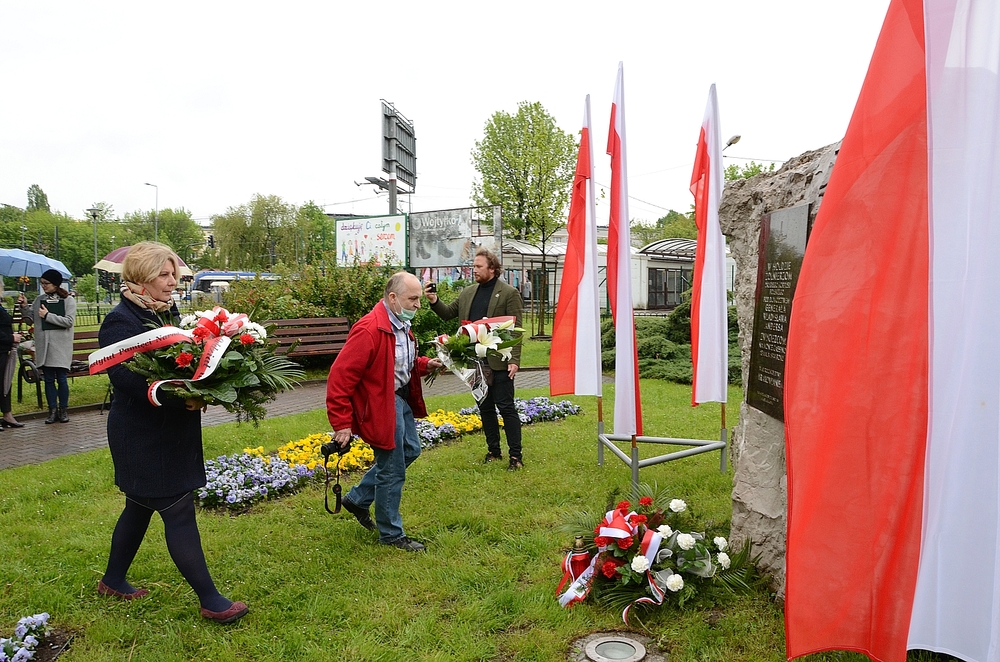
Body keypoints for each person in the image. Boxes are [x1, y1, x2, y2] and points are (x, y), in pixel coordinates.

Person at [97, 242, 248, 624]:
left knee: (140, 506)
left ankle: (113, 580)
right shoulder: (120, 321)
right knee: (177, 510)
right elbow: (127, 380)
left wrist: (206, 385)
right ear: (140, 278)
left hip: (169, 431)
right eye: (164, 275)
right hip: (142, 434)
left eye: (173, 274)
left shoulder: (169, 313)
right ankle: (212, 600)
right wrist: (184, 400)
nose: (172, 282)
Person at [327, 272, 442, 552]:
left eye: (418, 299)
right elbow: (339, 377)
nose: (418, 304)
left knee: (410, 451)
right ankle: (391, 534)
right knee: (392, 469)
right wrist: (342, 423)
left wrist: (427, 364)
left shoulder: (400, 323)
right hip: (381, 404)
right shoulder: (369, 329)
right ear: (393, 298)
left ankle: (356, 499)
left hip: (398, 399)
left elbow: (402, 361)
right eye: (412, 299)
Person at [425, 247, 524, 470]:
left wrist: (514, 360)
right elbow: (448, 313)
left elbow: (517, 328)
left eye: (478, 266)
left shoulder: (508, 293)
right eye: (473, 266)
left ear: (492, 268)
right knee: (485, 407)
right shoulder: (468, 292)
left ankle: (515, 457)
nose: (474, 270)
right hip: (474, 363)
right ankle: (494, 451)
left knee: (506, 408)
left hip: (499, 360)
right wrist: (433, 300)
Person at [17, 269, 75, 424]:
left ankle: (63, 410)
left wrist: (48, 316)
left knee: (61, 379)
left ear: (55, 284)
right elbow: (31, 320)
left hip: (60, 346)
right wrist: (24, 307)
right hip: (44, 346)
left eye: (46, 283)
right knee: (48, 379)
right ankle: (52, 411)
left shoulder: (68, 300)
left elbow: (68, 321)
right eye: (42, 283)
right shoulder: (39, 299)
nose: (43, 286)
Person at [0, 283, 25, 429]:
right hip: (2, 347)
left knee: (5, 382)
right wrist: (11, 338)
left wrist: (19, 306)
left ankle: (7, 414)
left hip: (4, 350)